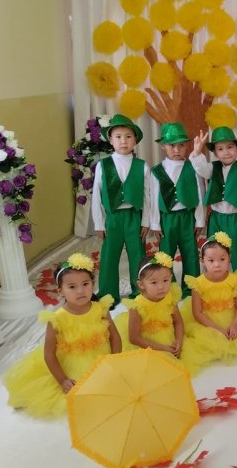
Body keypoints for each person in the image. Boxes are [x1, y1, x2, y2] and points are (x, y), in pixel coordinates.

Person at [3, 253, 120, 418]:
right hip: (73, 364)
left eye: (85, 284)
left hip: (102, 357)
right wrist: (63, 380)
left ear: (93, 284)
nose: (80, 291)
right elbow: (49, 354)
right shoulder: (57, 318)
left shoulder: (100, 309)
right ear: (61, 291)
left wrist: (114, 360)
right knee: (84, 393)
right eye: (72, 287)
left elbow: (114, 336)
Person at [114, 252, 217, 375]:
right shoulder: (136, 307)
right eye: (154, 283)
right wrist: (162, 348)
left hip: (169, 337)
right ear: (141, 284)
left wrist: (179, 341)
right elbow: (134, 338)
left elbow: (178, 322)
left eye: (165, 280)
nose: (161, 287)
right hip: (148, 344)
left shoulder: (170, 296)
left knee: (191, 353)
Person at [191, 126, 237, 299]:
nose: (226, 152)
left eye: (230, 147)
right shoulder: (212, 168)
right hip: (216, 218)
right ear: (215, 153)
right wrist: (197, 151)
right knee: (213, 252)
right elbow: (200, 168)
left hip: (236, 219)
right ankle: (214, 284)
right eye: (220, 149)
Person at [91, 114, 151, 306]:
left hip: (134, 216)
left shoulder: (142, 166)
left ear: (135, 140)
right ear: (110, 140)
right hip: (113, 218)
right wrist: (99, 223)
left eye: (128, 136)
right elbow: (97, 196)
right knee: (109, 255)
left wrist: (146, 221)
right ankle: (108, 293)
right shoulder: (103, 165)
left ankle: (139, 291)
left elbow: (147, 196)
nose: (123, 141)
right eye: (118, 137)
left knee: (137, 255)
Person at [181, 232, 237, 362]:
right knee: (207, 342)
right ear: (202, 261)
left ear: (229, 258)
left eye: (222, 259)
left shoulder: (234, 280)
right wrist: (217, 329)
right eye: (211, 260)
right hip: (208, 321)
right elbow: (198, 313)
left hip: (231, 317)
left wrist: (235, 325)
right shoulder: (198, 284)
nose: (217, 264)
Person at [149, 122, 204, 299]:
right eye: (172, 145)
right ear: (163, 146)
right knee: (166, 255)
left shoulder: (193, 167)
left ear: (187, 146)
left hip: (187, 217)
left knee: (190, 253)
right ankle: (168, 288)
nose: (177, 149)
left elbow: (199, 194)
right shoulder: (157, 171)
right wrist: (155, 223)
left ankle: (191, 290)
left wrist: (199, 219)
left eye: (181, 145)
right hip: (167, 218)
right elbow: (153, 198)